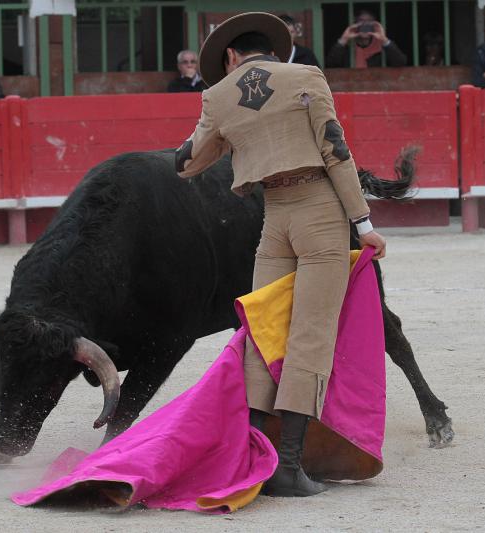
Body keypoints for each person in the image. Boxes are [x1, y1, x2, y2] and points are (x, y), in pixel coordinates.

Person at [175, 12, 386, 497]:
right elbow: (336, 151)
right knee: (310, 335)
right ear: (270, 48)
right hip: (319, 213)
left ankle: (249, 457)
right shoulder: (305, 76)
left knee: (263, 332)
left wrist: (223, 127)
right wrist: (363, 225)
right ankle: (287, 466)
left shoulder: (219, 96)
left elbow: (185, 164)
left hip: (274, 219)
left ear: (231, 56)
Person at [325, 10, 407, 68]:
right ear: (355, 23)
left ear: (375, 24)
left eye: (369, 21)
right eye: (361, 21)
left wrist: (384, 40)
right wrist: (343, 40)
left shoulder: (381, 47)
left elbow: (400, 63)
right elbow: (330, 65)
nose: (365, 24)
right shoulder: (347, 47)